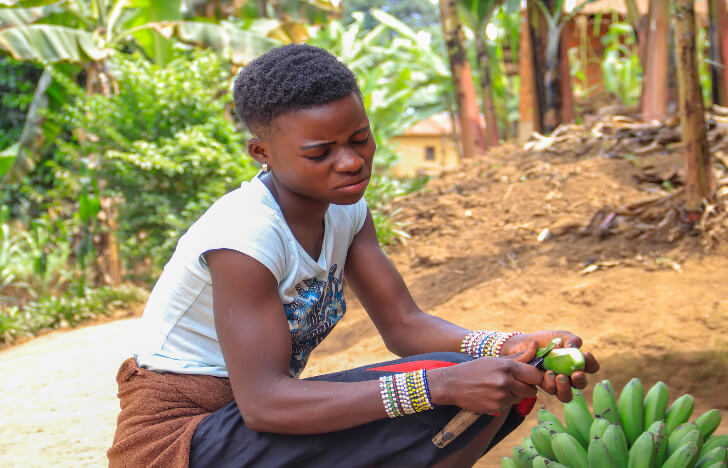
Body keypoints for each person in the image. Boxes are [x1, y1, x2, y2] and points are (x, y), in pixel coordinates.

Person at [107, 44, 599, 468]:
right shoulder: (245, 238)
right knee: (444, 389)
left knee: (493, 387)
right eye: (319, 153)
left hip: (249, 424)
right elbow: (266, 404)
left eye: (360, 138)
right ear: (262, 153)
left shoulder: (346, 211)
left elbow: (404, 324)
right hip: (181, 441)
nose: (351, 162)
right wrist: (441, 385)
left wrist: (508, 345)